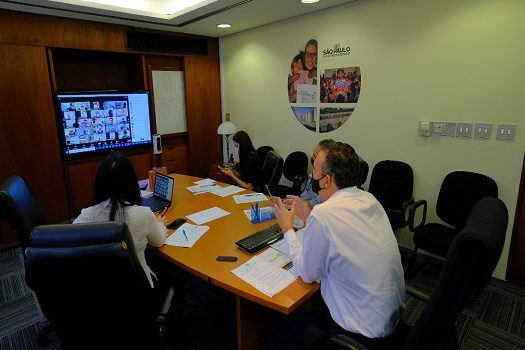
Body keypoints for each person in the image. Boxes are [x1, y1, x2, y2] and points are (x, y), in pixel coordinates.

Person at [268, 140, 405, 350]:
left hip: (359, 333)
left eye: (315, 169)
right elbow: (344, 231)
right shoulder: (369, 200)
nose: (312, 175)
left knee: (275, 337)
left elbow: (307, 273)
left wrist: (287, 228)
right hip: (389, 320)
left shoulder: (325, 214)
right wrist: (309, 214)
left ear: (327, 180)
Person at [73, 150, 167, 289]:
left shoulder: (84, 217)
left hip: (99, 293)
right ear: (131, 184)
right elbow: (158, 241)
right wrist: (160, 224)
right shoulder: (143, 215)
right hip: (139, 293)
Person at [283, 139, 334, 210]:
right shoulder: (314, 173)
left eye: (316, 158)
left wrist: (295, 204)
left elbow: (312, 205)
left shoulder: (330, 184)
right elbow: (303, 197)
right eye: (313, 155)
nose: (313, 159)